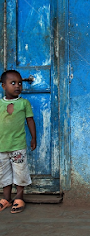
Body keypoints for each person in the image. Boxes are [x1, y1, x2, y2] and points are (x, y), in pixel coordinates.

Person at [0, 70, 36, 213]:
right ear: (3, 86)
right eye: (13, 83)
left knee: (20, 173)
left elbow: (30, 121)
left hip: (18, 147)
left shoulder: (24, 103)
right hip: (2, 147)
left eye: (20, 83)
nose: (17, 86)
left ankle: (19, 198)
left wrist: (34, 138)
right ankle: (6, 199)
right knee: (4, 174)